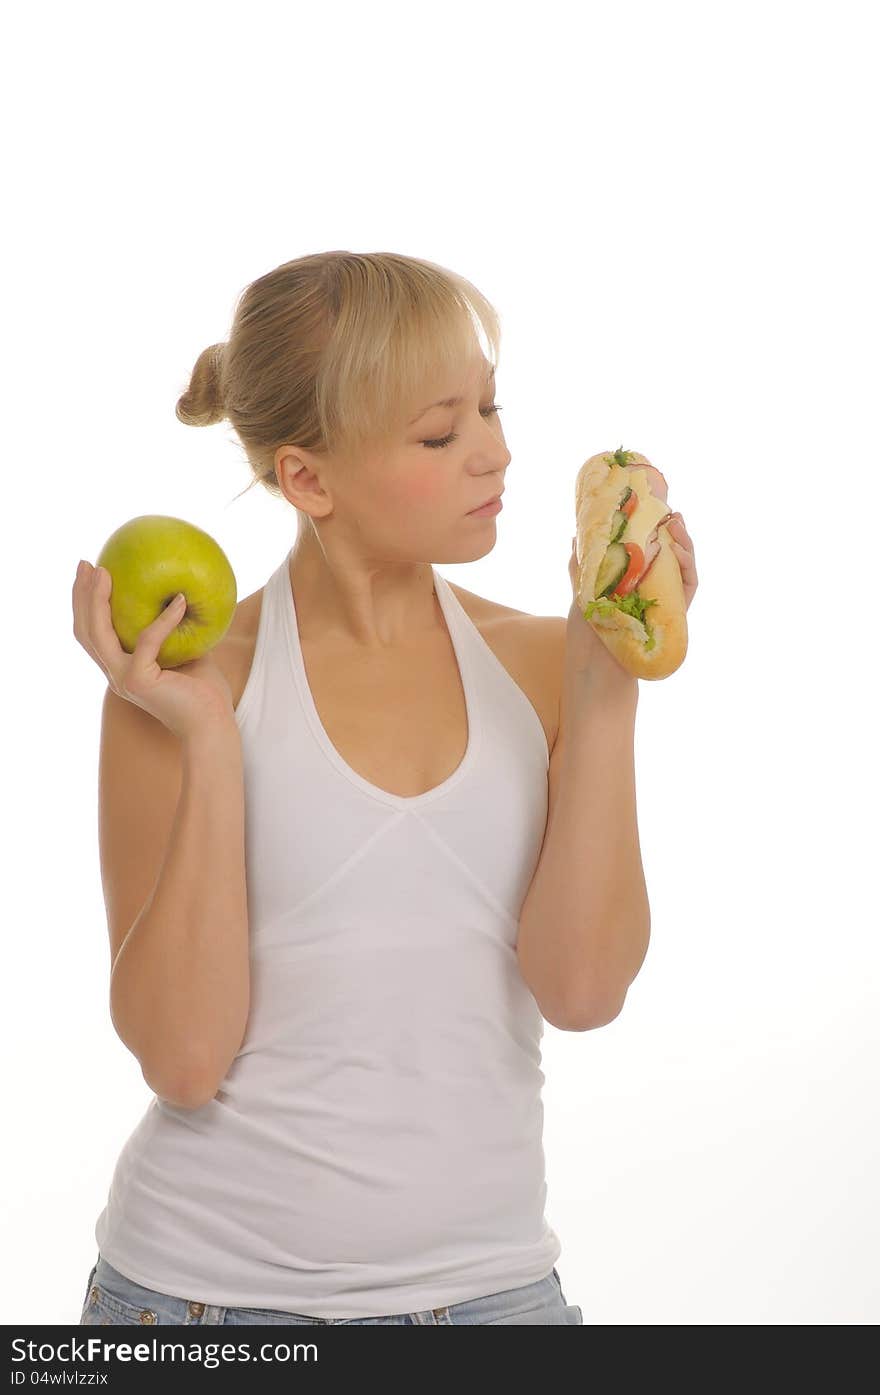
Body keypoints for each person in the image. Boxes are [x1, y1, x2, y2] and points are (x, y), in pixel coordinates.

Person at [72, 249, 696, 1327]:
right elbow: (181, 1060)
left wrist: (607, 688)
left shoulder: (548, 664)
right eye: (440, 433)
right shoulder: (184, 690)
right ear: (308, 479)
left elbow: (583, 991)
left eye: (491, 409)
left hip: (496, 1300)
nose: (495, 454)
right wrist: (216, 751)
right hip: (202, 1310)